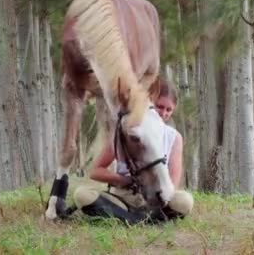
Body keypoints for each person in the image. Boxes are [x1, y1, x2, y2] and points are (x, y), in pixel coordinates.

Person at [72, 80, 194, 224]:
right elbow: (95, 171)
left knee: (185, 201)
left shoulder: (174, 137)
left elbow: (172, 183)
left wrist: (159, 189)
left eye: (169, 110)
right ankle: (143, 220)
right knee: (82, 195)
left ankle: (125, 219)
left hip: (155, 200)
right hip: (122, 198)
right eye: (159, 107)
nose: (163, 113)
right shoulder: (127, 130)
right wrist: (124, 180)